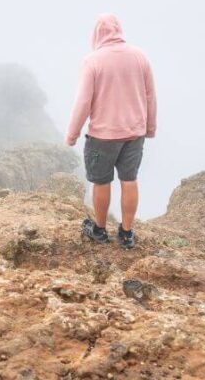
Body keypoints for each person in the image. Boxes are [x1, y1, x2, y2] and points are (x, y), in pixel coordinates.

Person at [66, 13, 156, 249]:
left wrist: (72, 134)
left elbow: (84, 102)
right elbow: (150, 96)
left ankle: (100, 230)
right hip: (134, 134)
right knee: (129, 180)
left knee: (102, 182)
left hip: (103, 136)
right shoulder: (140, 56)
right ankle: (126, 234)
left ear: (96, 34)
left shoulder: (93, 61)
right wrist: (150, 128)